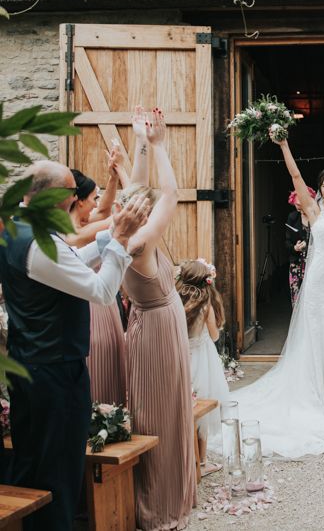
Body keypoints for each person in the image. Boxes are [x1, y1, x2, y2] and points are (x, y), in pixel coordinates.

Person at [0, 160, 149, 531]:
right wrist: (119, 241)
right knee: (59, 471)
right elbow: (100, 291)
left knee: (31, 464)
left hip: (30, 365)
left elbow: (70, 264)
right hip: (55, 372)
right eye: (71, 194)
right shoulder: (35, 242)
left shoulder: (20, 228)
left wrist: (109, 234)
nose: (75, 200)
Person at [225, 133, 324, 459]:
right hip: (316, 287)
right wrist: (284, 145)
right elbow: (296, 175)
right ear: (319, 190)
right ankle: (321, 400)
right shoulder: (314, 212)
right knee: (317, 340)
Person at [122, 106, 196, 529]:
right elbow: (169, 194)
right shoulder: (142, 241)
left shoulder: (124, 233)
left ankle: (166, 491)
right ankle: (162, 500)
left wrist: (139, 143)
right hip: (158, 329)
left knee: (157, 406)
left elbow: (138, 185)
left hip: (151, 324)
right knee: (162, 410)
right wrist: (160, 145)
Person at [68, 156, 128, 406]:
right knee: (100, 362)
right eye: (93, 198)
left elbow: (103, 211)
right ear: (78, 200)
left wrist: (113, 177)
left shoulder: (82, 223)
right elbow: (113, 218)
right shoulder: (76, 234)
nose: (96, 204)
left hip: (105, 304)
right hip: (93, 305)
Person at [177, 257, 230, 477]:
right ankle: (203, 462)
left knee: (186, 407)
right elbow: (215, 336)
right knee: (203, 409)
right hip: (203, 360)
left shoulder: (176, 303)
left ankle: (186, 458)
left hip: (182, 358)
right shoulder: (205, 307)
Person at [285, 187, 315, 307]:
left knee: (312, 296)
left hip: (313, 262)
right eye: (295, 204)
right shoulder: (292, 217)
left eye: (300, 203)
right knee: (296, 297)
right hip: (296, 263)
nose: (298, 207)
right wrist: (295, 248)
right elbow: (286, 242)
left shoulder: (316, 216)